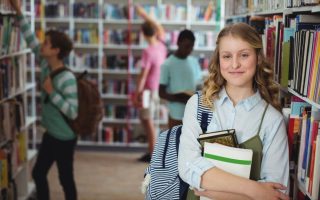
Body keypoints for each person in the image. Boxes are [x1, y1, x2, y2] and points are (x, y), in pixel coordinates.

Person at [178, 23, 290, 200]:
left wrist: (210, 189)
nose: (235, 64)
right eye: (227, 56)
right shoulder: (199, 105)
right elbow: (187, 166)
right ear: (219, 60)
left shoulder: (272, 120)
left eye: (244, 55)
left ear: (258, 58)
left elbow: (276, 194)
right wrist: (255, 190)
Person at [9, 1, 78, 199]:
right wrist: (19, 12)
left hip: (64, 137)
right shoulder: (45, 64)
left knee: (65, 179)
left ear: (56, 50)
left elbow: (73, 112)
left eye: (46, 43)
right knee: (39, 173)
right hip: (51, 134)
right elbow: (31, 40)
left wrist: (52, 92)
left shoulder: (67, 78)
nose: (41, 45)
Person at [133, 5, 167, 162]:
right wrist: (144, 15)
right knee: (146, 119)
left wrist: (137, 93)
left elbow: (143, 75)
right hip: (157, 89)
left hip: (147, 91)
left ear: (143, 34)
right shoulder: (161, 45)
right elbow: (159, 28)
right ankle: (151, 150)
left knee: (147, 121)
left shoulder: (148, 51)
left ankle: (152, 153)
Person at [159, 29, 202, 128]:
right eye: (187, 46)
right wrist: (180, 99)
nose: (189, 50)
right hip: (176, 115)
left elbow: (199, 84)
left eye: (191, 47)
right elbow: (161, 93)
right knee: (175, 142)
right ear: (178, 43)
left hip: (193, 114)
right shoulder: (167, 64)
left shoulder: (194, 62)